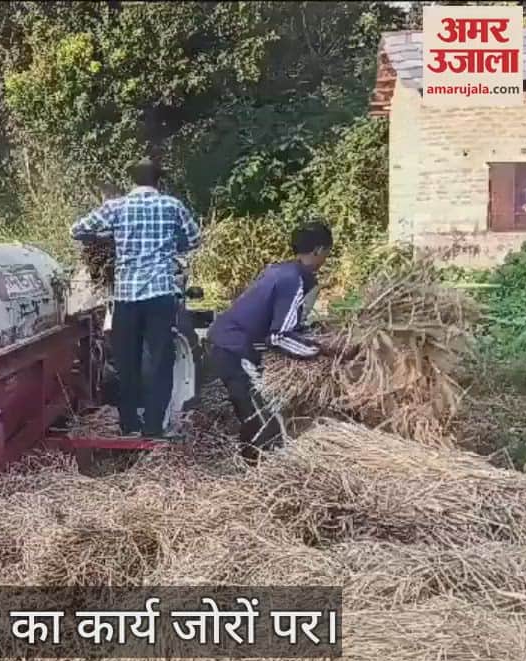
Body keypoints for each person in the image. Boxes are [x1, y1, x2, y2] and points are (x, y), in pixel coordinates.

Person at [70, 158, 201, 438]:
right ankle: (154, 427)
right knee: (159, 360)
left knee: (127, 361)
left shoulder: (116, 207)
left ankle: (129, 423)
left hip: (127, 298)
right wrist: (170, 243)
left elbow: (78, 230)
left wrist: (110, 235)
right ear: (158, 181)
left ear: (132, 180)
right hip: (161, 295)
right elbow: (193, 238)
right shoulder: (172, 206)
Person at [206, 221, 333, 464]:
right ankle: (256, 473)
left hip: (228, 341)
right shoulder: (295, 279)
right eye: (326, 253)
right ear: (318, 250)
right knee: (263, 417)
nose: (325, 260)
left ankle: (249, 466)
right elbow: (279, 336)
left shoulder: (281, 270)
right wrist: (322, 351)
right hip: (232, 347)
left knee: (257, 413)